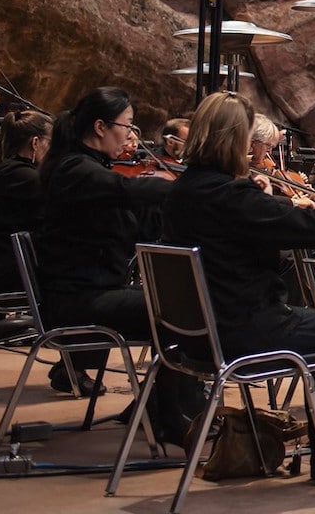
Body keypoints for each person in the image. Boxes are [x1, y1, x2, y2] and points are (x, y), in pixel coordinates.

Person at [162, 91, 315, 486]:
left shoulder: (183, 191)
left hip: (194, 334)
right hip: (246, 328)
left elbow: (240, 236)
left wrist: (270, 205)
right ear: (235, 140)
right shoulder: (234, 195)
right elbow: (313, 230)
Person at [36, 87, 202, 432]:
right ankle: (169, 415)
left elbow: (134, 225)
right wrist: (197, 188)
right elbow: (129, 191)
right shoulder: (75, 170)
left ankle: (162, 406)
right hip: (76, 301)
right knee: (181, 312)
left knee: (181, 305)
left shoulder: (92, 169)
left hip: (93, 291)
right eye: (128, 125)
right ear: (100, 126)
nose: (131, 135)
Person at [0, 110, 52, 293]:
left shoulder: (2, 169)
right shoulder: (25, 177)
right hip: (19, 269)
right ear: (35, 143)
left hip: (9, 262)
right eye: (50, 143)